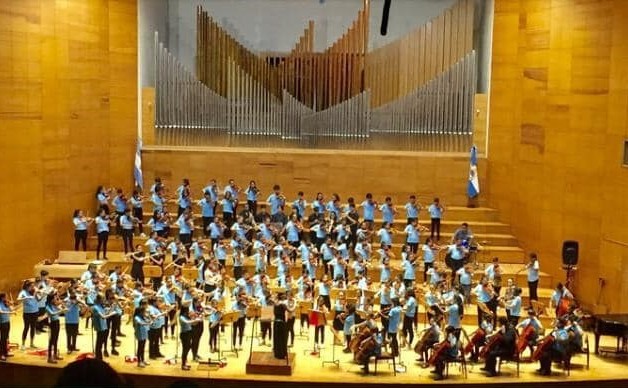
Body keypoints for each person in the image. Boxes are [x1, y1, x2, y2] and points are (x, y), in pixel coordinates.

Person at [92, 294, 115, 360]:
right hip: (100, 327)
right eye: (103, 298)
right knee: (99, 344)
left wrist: (112, 308)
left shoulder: (101, 306)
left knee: (100, 343)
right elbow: (103, 316)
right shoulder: (96, 307)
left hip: (103, 327)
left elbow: (106, 313)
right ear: (99, 300)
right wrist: (112, 314)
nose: (104, 300)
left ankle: (99, 358)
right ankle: (98, 359)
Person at [179, 305, 202, 371]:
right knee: (185, 350)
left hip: (189, 333)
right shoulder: (181, 317)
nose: (188, 311)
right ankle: (183, 365)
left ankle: (185, 362)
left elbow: (192, 324)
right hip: (184, 334)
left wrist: (198, 319)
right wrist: (195, 320)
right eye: (187, 310)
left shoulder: (187, 316)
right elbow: (187, 322)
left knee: (188, 347)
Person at [18, 280, 39, 350]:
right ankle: (23, 344)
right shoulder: (23, 292)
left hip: (35, 311)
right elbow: (18, 299)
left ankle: (32, 343)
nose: (33, 287)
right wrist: (26, 297)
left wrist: (39, 293)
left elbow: (38, 299)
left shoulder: (34, 291)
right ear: (27, 286)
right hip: (27, 313)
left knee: (33, 328)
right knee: (26, 328)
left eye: (33, 286)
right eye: (31, 286)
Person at [45, 293, 65, 364]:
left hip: (57, 322)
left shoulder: (54, 305)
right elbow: (52, 313)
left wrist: (62, 306)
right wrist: (60, 311)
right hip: (52, 323)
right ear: (50, 299)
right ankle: (49, 358)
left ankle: (55, 355)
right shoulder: (47, 307)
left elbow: (61, 309)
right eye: (53, 298)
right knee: (51, 341)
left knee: (56, 339)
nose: (55, 299)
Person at [0, 293, 16, 362]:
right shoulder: (0, 304)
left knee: (6, 338)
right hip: (2, 323)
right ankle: (1, 355)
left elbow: (12, 309)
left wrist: (13, 306)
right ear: (2, 298)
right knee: (2, 339)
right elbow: (0, 311)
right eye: (6, 297)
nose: (7, 298)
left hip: (7, 322)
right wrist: (10, 312)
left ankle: (6, 353)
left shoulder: (6, 303)